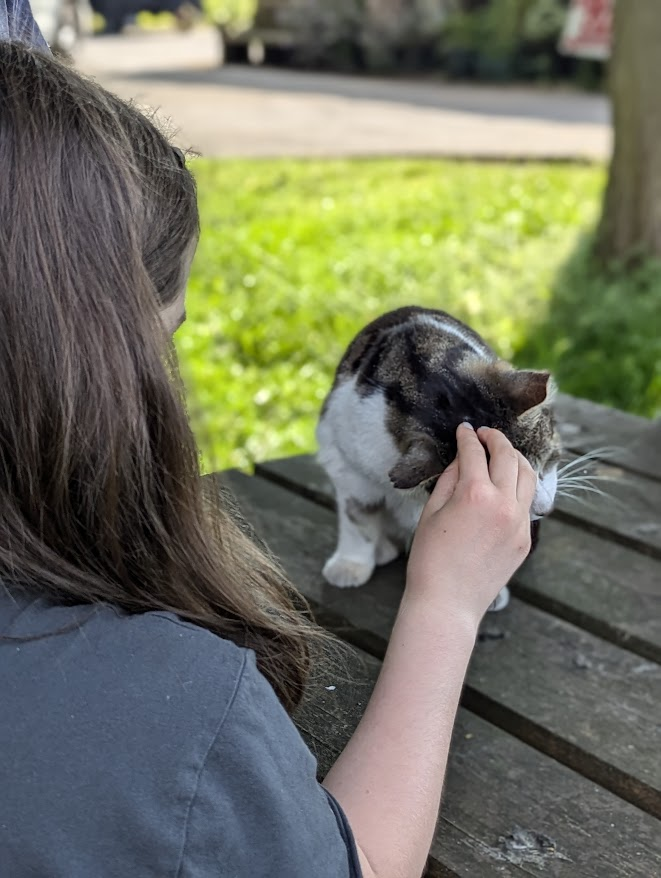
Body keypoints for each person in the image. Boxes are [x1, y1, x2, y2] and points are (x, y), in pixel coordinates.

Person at [0, 20, 537, 878]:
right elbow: (354, 862)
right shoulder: (164, 711)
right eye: (163, 341)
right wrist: (445, 603)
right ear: (88, 365)